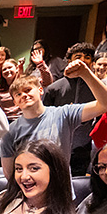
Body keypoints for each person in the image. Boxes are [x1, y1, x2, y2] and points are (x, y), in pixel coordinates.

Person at [0, 59, 107, 180]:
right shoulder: (10, 131)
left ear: (40, 91)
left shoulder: (64, 114)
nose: (23, 95)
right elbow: (10, 174)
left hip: (61, 192)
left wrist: (86, 74)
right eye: (18, 94)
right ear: (15, 102)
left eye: (28, 90)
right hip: (29, 192)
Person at [43, 42, 103, 175]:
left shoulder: (97, 89)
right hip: (56, 145)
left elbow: (101, 117)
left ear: (92, 62)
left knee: (77, 182)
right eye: (78, 56)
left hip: (83, 146)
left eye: (87, 57)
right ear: (69, 61)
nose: (82, 60)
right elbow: (45, 117)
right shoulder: (55, 88)